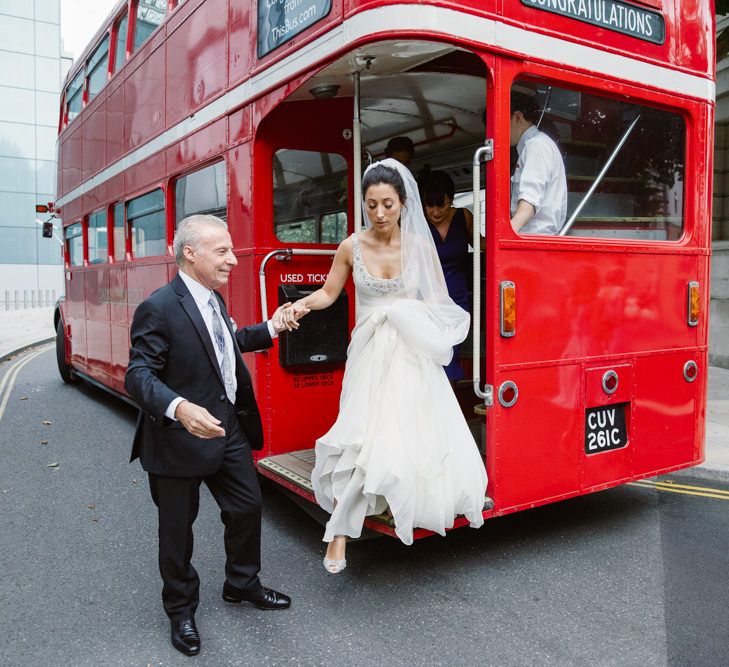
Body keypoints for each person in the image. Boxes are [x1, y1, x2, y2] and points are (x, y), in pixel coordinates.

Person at [281, 159, 488, 574]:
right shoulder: (350, 247)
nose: (379, 214)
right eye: (371, 204)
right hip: (371, 349)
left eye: (387, 205)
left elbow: (436, 300)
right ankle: (340, 531)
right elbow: (327, 293)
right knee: (361, 434)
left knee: (409, 431)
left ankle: (391, 505)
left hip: (411, 350)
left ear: (401, 203)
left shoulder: (419, 245)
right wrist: (297, 305)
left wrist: (421, 325)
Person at [125, 214, 297, 657]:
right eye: (221, 251)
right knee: (177, 532)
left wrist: (273, 327)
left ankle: (241, 584)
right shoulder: (159, 306)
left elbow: (224, 344)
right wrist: (179, 408)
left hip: (228, 428)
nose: (233, 260)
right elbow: (137, 375)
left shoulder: (214, 300)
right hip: (178, 438)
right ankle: (180, 610)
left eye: (231, 250)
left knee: (247, 506)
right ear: (190, 253)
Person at [419, 168, 477, 381]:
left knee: (451, 354)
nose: (435, 212)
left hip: (457, 297)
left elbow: (482, 245)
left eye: (441, 205)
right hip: (426, 298)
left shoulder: (465, 217)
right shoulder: (416, 224)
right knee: (429, 356)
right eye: (429, 206)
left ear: (451, 200)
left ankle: (448, 409)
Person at [510, 91, 568, 235]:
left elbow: (530, 201)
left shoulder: (536, 146)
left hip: (532, 239)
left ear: (517, 117)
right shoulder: (533, 146)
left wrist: (506, 234)